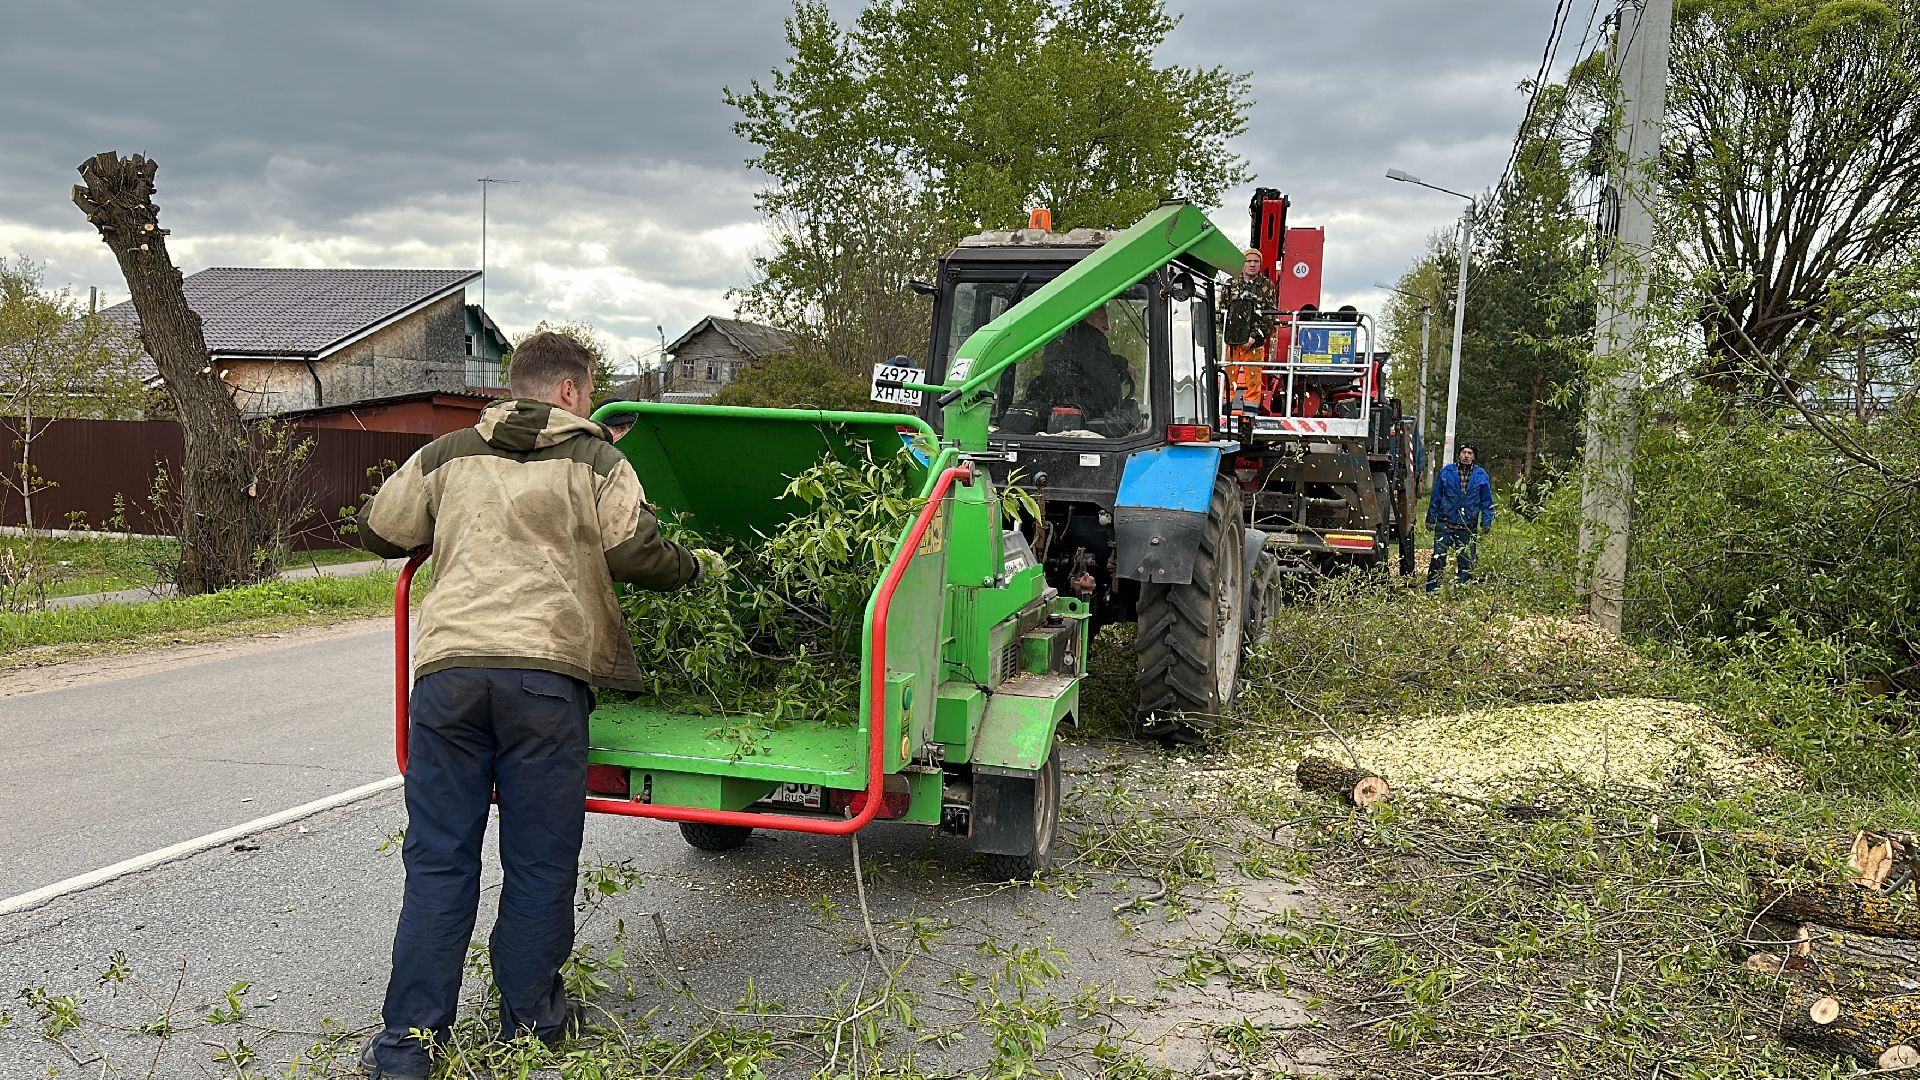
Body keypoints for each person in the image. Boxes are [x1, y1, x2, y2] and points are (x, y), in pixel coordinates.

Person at [352, 332, 716, 1079]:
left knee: (438, 862)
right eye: (588, 392)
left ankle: (408, 1049)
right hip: (545, 682)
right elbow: (635, 552)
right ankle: (532, 1023)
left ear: (512, 386)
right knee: (539, 861)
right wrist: (695, 569)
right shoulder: (597, 461)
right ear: (570, 392)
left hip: (449, 678)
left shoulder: (448, 454)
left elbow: (380, 528)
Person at [1001, 306, 1132, 434]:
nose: (1107, 326)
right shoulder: (1094, 339)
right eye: (1103, 318)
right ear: (1085, 316)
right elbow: (1108, 389)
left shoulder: (1056, 340)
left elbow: (1084, 358)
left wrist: (1123, 364)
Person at [1426, 443, 1494, 592]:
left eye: (1470, 453)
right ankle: (1432, 591)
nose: (1466, 456)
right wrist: (1431, 519)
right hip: (1445, 523)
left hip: (1468, 525)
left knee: (1466, 561)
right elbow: (1436, 497)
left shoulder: (1480, 475)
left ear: (1474, 457)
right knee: (1438, 558)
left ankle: (1462, 591)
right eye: (1464, 452)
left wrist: (1486, 521)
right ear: (1459, 455)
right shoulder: (1447, 472)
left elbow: (1486, 501)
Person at [1223, 247, 1277, 413]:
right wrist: (1230, 335)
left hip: (1255, 343)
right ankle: (1224, 412)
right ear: (1243, 263)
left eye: (1256, 261)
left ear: (1260, 264)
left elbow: (1270, 315)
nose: (1252, 264)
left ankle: (1249, 415)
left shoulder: (1267, 286)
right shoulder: (1230, 284)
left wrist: (1254, 337)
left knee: (1254, 381)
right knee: (1227, 378)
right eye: (1249, 261)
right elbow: (1222, 312)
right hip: (1232, 342)